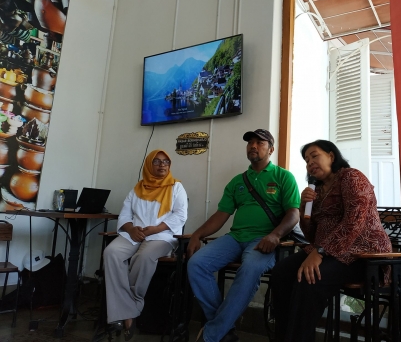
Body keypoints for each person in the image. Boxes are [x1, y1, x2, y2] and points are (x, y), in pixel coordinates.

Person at [271, 139, 392, 342]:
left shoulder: (352, 177)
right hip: (327, 252)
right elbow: (312, 235)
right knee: (282, 273)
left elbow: (354, 221)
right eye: (307, 160)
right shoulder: (316, 191)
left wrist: (320, 253)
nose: (310, 162)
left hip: (363, 254)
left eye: (314, 155)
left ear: (331, 156)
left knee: (309, 278)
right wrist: (303, 209)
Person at [187, 129, 300, 342]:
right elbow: (221, 215)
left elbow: (294, 213)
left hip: (264, 240)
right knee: (196, 264)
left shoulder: (283, 177)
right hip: (235, 238)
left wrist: (275, 235)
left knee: (251, 268)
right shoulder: (237, 181)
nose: (253, 146)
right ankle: (224, 330)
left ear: (271, 149)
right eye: (250, 143)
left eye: (260, 142)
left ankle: (211, 335)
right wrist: (197, 235)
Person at [103, 149, 187, 341]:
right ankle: (129, 310)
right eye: (157, 162)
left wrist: (154, 230)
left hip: (163, 235)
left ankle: (129, 308)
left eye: (166, 162)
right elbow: (125, 214)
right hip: (135, 234)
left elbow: (180, 215)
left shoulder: (176, 187)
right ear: (149, 165)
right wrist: (131, 229)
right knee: (111, 253)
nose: (162, 165)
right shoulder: (137, 188)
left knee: (144, 256)